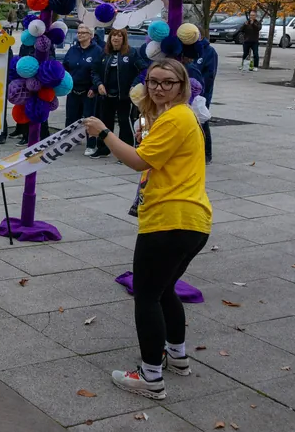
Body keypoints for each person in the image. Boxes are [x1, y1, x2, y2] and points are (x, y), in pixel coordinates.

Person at [83, 59, 211, 400]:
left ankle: (150, 376)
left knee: (148, 295)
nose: (158, 88)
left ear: (181, 87)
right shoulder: (177, 117)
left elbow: (140, 160)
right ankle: (177, 357)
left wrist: (104, 133)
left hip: (169, 221)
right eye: (154, 81)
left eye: (167, 83)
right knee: (165, 289)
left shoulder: (177, 117)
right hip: (192, 222)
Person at [90, 28, 142, 159]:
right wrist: (99, 84)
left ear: (124, 39)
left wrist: (134, 85)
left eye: (119, 36)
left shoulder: (132, 53)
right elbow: (94, 71)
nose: (116, 38)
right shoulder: (104, 53)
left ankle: (126, 152)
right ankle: (103, 149)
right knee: (105, 123)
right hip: (106, 96)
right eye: (113, 36)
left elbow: (144, 70)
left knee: (125, 123)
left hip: (124, 96)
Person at [63, 24, 103, 156]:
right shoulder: (73, 50)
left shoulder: (97, 51)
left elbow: (98, 72)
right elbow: (65, 67)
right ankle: (68, 142)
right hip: (73, 89)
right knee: (71, 117)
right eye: (79, 32)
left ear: (90, 36)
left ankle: (91, 144)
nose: (80, 35)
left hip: (89, 90)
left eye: (84, 33)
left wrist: (94, 87)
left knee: (88, 118)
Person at [186, 29, 218, 164]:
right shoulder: (186, 49)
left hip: (200, 94)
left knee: (202, 122)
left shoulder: (209, 51)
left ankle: (206, 153)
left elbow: (209, 75)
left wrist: (201, 94)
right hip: (186, 94)